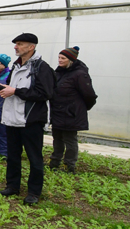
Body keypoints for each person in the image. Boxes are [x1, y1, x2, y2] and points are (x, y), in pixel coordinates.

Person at [0, 33, 55, 205]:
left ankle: (34, 193)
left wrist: (15, 91)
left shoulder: (42, 68)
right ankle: (12, 186)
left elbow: (46, 93)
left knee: (34, 158)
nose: (15, 47)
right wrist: (1, 87)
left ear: (31, 47)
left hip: (31, 120)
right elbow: (12, 86)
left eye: (20, 44)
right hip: (12, 118)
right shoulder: (16, 66)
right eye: (15, 44)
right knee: (13, 156)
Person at [48, 46, 98, 174]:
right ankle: (54, 162)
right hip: (58, 112)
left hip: (71, 113)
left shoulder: (80, 74)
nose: (59, 60)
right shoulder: (58, 72)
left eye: (63, 58)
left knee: (70, 140)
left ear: (71, 60)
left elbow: (89, 95)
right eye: (59, 57)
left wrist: (79, 108)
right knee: (57, 138)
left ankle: (69, 166)